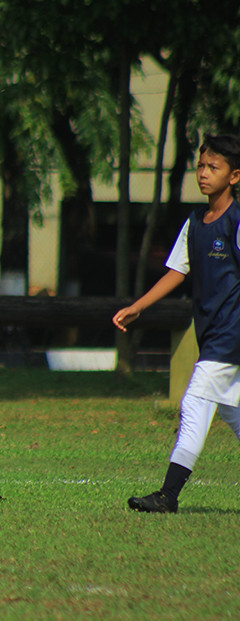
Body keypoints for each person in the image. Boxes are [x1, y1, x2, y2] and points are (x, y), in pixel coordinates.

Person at [114, 133, 240, 514]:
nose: (203, 173)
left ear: (234, 176)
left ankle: (169, 494)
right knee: (234, 413)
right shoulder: (196, 221)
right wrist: (139, 306)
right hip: (212, 333)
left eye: (213, 167)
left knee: (194, 403)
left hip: (231, 335)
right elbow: (176, 270)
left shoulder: (236, 220)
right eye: (201, 166)